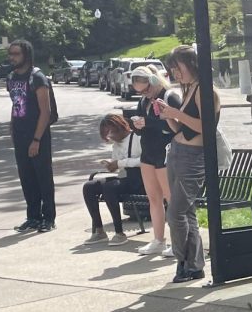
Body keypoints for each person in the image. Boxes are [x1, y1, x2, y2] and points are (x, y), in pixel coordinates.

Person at [155, 45, 218, 283]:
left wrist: (176, 113)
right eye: (172, 67)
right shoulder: (189, 89)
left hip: (193, 157)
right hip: (178, 151)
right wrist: (169, 116)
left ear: (191, 65)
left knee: (176, 211)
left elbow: (205, 127)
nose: (174, 72)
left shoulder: (205, 90)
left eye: (177, 66)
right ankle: (193, 265)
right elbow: (183, 128)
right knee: (185, 211)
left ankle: (183, 261)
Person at [6, 39, 57, 233]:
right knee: (26, 177)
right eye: (10, 53)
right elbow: (16, 104)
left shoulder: (37, 78)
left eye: (16, 53)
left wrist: (36, 139)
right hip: (19, 134)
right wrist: (12, 126)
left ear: (26, 55)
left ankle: (49, 217)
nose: (12, 57)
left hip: (38, 134)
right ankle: (33, 217)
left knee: (43, 176)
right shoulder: (11, 77)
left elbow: (45, 111)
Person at [129, 65, 180, 257]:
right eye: (140, 91)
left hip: (164, 151)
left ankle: (178, 240)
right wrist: (137, 125)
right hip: (148, 152)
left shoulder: (168, 96)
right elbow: (144, 124)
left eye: (146, 89)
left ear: (153, 81)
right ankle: (158, 239)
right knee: (153, 197)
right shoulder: (144, 101)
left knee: (170, 197)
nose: (145, 93)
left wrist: (148, 122)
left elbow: (176, 126)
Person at [82, 114, 143, 245]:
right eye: (108, 136)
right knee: (89, 186)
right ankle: (99, 231)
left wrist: (120, 163)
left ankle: (119, 233)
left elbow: (145, 161)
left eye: (112, 134)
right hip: (123, 178)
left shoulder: (137, 137)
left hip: (139, 180)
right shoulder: (116, 144)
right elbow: (117, 164)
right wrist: (111, 165)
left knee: (110, 187)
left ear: (120, 128)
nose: (111, 138)